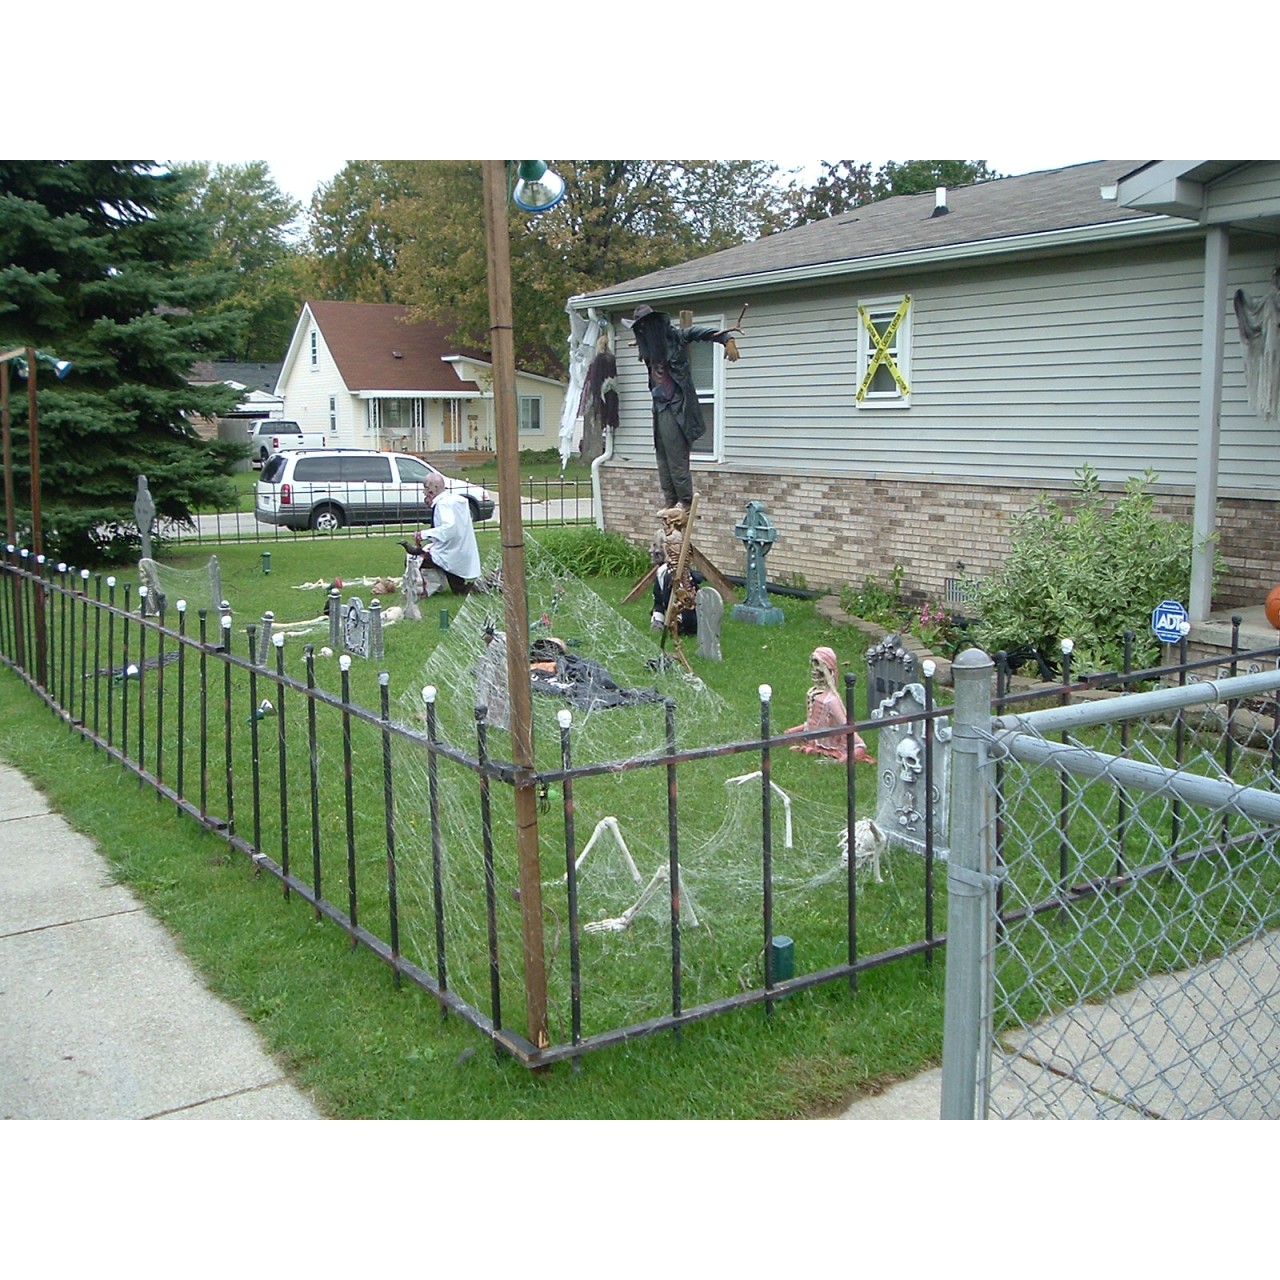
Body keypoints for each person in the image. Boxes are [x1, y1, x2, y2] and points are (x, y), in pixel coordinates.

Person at [624, 304, 741, 516]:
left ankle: (685, 501)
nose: (640, 332)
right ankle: (670, 499)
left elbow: (702, 333)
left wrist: (727, 340)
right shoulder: (649, 346)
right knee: (662, 456)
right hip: (659, 406)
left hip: (676, 405)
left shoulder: (675, 338)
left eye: (643, 328)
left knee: (676, 455)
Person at [413, 473, 481, 595]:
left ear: (435, 488)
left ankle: (422, 588)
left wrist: (423, 534)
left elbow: (449, 529)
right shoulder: (453, 500)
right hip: (460, 549)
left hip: (449, 551)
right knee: (459, 589)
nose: (425, 492)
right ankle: (470, 587)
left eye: (427, 488)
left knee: (414, 558)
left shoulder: (443, 504)